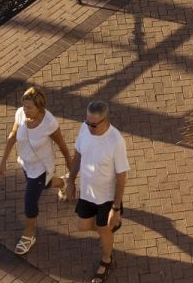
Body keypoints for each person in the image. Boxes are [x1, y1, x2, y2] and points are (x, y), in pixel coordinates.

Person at [0, 85, 73, 257]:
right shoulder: (20, 114)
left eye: (29, 107)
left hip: (41, 168)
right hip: (26, 164)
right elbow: (13, 135)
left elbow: (61, 145)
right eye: (24, 106)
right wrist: (3, 161)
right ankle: (63, 182)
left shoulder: (49, 123)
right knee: (44, 186)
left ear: (40, 107)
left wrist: (70, 164)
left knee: (30, 201)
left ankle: (29, 235)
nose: (26, 110)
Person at [69, 99, 129, 281]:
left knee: (103, 229)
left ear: (105, 120)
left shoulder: (115, 141)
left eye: (93, 124)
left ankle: (106, 259)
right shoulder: (84, 129)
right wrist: (71, 180)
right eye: (87, 121)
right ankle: (109, 231)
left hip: (106, 198)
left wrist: (115, 209)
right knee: (82, 226)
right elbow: (78, 154)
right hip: (87, 192)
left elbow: (121, 176)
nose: (89, 126)